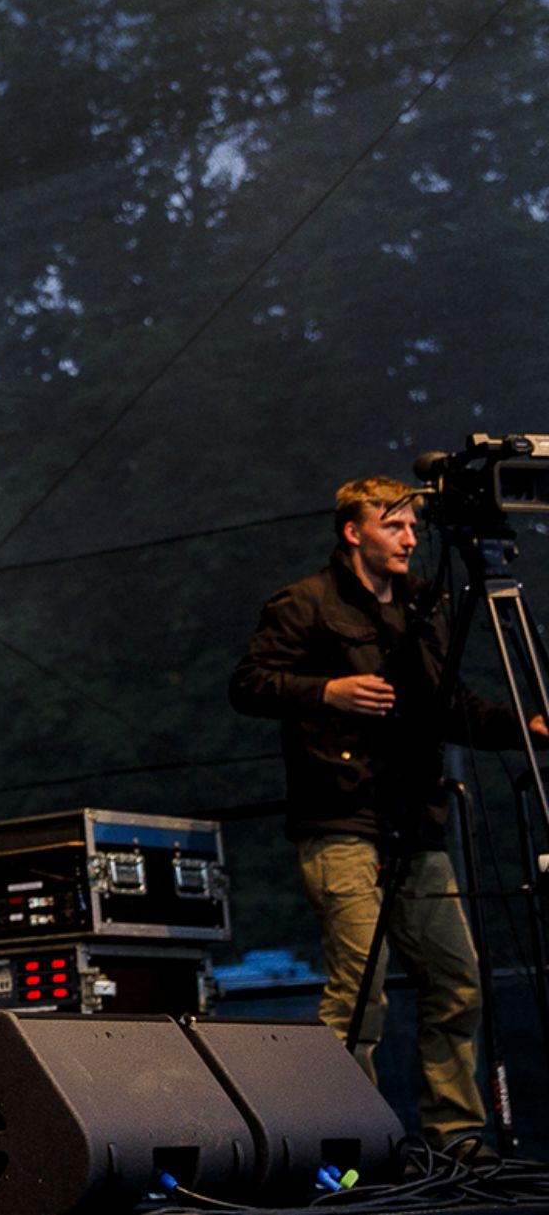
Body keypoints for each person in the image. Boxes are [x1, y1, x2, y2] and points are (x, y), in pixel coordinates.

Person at [229, 476, 547, 1153]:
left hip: (416, 820)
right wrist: (328, 690)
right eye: (393, 525)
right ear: (354, 531)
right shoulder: (305, 602)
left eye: (412, 527)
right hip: (340, 818)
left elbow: (453, 707)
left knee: (456, 980)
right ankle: (351, 1143)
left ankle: (458, 1136)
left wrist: (527, 725)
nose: (409, 538)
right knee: (360, 990)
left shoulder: (424, 607)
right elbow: (249, 683)